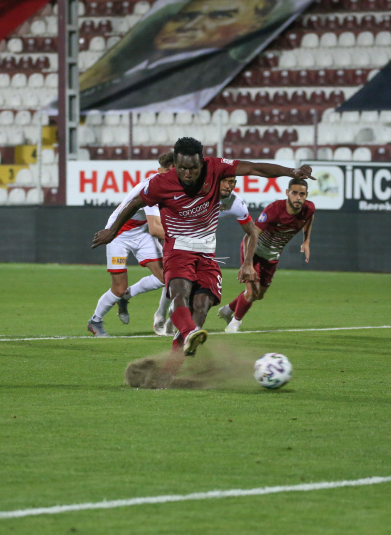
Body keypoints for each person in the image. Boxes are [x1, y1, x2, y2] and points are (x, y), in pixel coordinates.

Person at [92, 137, 313, 386]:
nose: (188, 174)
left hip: (207, 253)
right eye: (183, 168)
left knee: (202, 306)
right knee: (179, 294)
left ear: (202, 162)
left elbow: (254, 168)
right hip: (177, 249)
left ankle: (168, 370)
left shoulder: (216, 168)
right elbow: (135, 203)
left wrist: (293, 172)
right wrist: (112, 230)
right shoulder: (160, 184)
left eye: (193, 168)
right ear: (175, 163)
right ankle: (187, 335)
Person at [79, 0, 293, 112]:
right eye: (182, 17)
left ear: (252, 25)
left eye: (219, 15)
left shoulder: (213, 68)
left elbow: (285, 8)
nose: (190, 25)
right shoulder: (127, 68)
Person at [153, 171, 256, 336]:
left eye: (232, 182)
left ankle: (183, 333)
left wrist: (248, 262)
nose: (228, 186)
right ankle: (166, 315)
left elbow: (253, 232)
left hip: (203, 250)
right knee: (180, 289)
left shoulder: (235, 203)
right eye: (224, 181)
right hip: (179, 244)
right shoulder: (195, 192)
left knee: (198, 301)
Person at [87, 155, 169, 337]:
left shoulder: (173, 188)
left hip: (142, 233)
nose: (169, 175)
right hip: (118, 235)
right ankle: (95, 321)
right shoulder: (152, 188)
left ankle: (126, 297)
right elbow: (156, 229)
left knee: (166, 278)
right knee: (118, 288)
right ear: (159, 171)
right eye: (167, 170)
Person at [218, 178, 314, 332]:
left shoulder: (308, 208)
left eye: (302, 194)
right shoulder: (275, 210)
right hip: (253, 250)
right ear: (287, 193)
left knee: (259, 295)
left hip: (272, 255)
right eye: (294, 193)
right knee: (251, 292)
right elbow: (252, 235)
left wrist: (306, 240)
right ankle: (234, 323)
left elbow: (309, 218)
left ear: (306, 195)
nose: (298, 197)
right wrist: (248, 263)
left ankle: (228, 310)